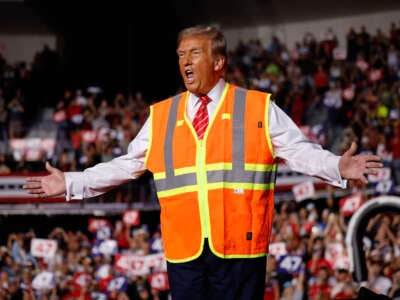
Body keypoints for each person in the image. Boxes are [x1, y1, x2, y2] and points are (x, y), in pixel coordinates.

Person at [23, 25, 383, 300]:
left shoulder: (256, 106)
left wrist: (338, 166)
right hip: (184, 253)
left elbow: (299, 151)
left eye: (194, 53)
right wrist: (69, 182)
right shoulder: (162, 116)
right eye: (181, 55)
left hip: (240, 250)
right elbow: (124, 165)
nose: (185, 62)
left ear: (219, 62)